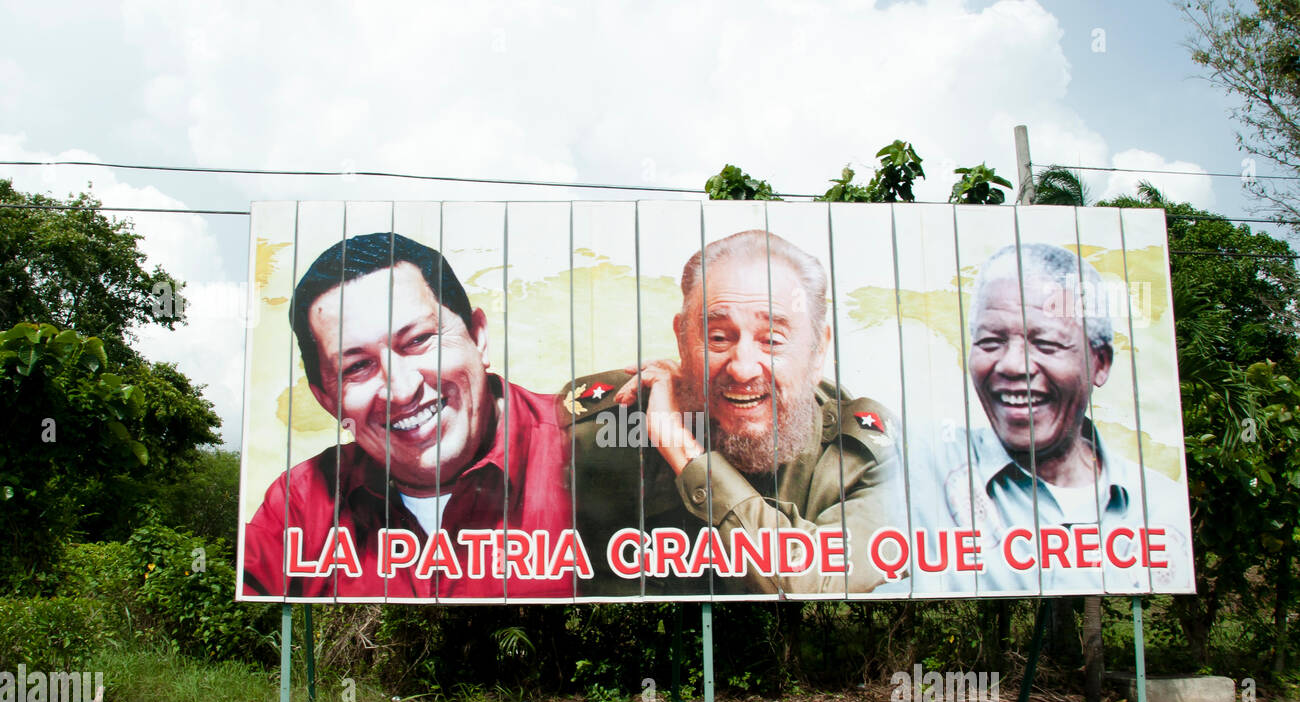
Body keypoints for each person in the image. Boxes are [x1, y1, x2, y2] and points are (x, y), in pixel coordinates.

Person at [564, 229, 904, 597]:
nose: (742, 369)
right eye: (719, 338)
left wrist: (682, 450)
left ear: (818, 350)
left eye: (771, 340)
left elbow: (810, 584)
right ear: (682, 339)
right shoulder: (607, 420)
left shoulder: (865, 456)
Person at [240, 233, 575, 599]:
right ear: (325, 398)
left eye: (418, 340)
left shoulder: (596, 449)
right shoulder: (301, 505)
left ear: (478, 337)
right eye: (357, 366)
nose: (401, 390)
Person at [905, 242, 1193, 594]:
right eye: (990, 341)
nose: (1013, 365)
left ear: (1100, 362)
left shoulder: (1161, 506)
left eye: (1047, 344)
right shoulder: (919, 470)